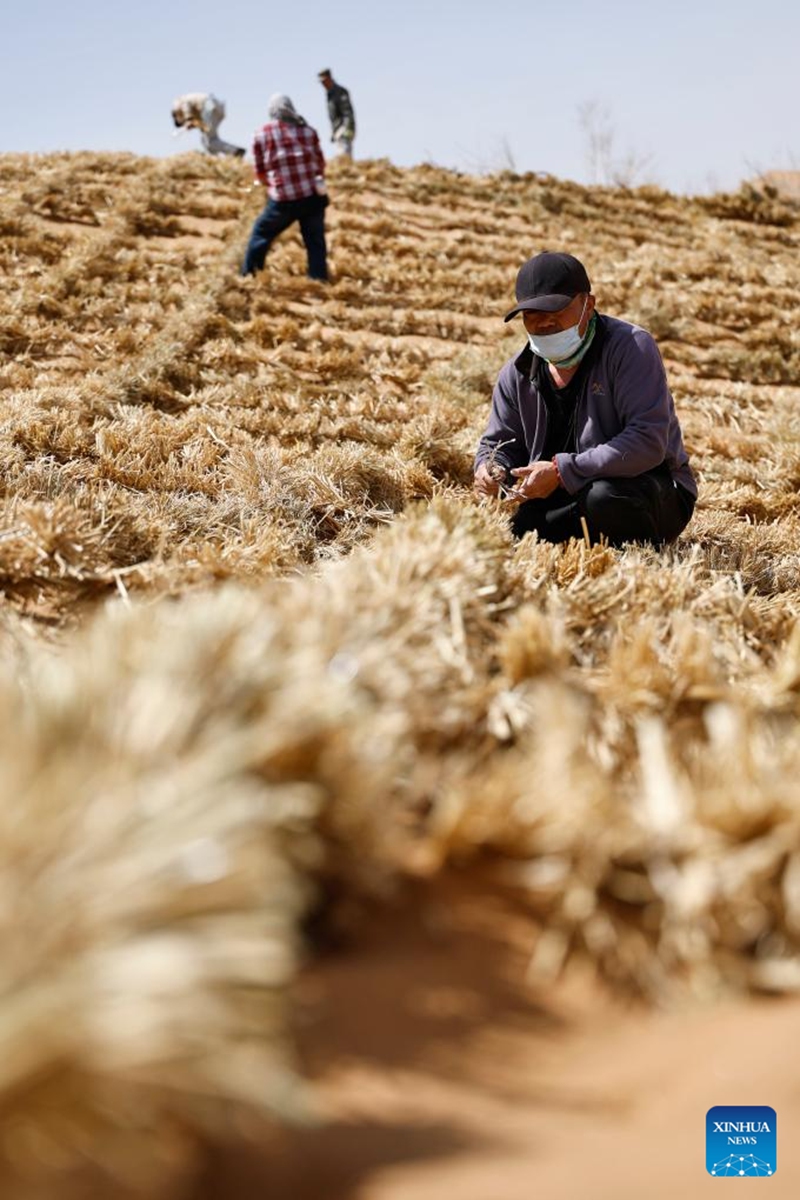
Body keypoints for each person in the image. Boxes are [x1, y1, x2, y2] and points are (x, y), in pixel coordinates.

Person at [474, 251, 697, 547]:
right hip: (571, 496)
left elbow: (648, 441)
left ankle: (638, 560)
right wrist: (491, 468)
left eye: (555, 311)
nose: (544, 324)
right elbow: (499, 442)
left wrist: (560, 471)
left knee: (604, 498)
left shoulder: (630, 347)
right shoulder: (516, 373)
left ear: (588, 305)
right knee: (521, 532)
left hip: (649, 489)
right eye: (532, 315)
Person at [241, 95, 329, 281]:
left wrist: (271, 185)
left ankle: (249, 276)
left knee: (261, 233)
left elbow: (260, 172)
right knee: (315, 241)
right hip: (312, 196)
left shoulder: (261, 134)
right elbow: (320, 164)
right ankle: (318, 279)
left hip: (283, 200)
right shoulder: (308, 131)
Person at [171, 93, 245, 158]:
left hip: (208, 106)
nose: (183, 123)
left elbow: (186, 106)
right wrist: (192, 123)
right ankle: (217, 159)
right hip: (216, 108)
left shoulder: (178, 105)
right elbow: (199, 123)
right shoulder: (193, 111)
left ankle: (235, 151)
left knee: (209, 140)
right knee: (206, 141)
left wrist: (189, 119)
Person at [317, 69, 356, 158]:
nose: (323, 84)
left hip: (343, 129)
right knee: (341, 156)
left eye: (324, 81)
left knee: (344, 157)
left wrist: (348, 128)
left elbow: (347, 112)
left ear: (329, 78)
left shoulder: (340, 92)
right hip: (338, 130)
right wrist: (333, 132)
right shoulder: (329, 94)